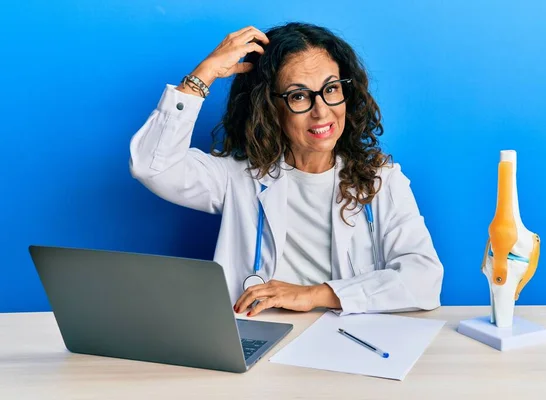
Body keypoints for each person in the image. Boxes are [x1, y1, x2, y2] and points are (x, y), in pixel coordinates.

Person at [129, 22, 443, 317]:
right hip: (263, 341)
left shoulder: (381, 180)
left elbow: (425, 278)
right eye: (298, 96)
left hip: (351, 341)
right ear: (270, 107)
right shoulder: (236, 178)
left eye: (331, 89)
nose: (321, 111)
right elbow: (152, 167)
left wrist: (314, 295)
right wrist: (203, 75)